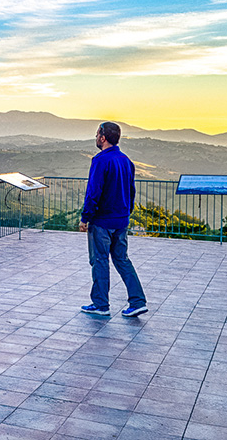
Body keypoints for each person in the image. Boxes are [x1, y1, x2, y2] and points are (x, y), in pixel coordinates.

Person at [78, 121, 147, 317]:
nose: (95, 137)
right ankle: (138, 301)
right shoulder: (126, 160)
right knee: (122, 260)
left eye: (97, 134)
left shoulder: (100, 161)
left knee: (99, 261)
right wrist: (127, 212)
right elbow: (131, 191)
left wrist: (85, 218)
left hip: (102, 222)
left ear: (103, 137)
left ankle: (100, 304)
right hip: (121, 220)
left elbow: (93, 192)